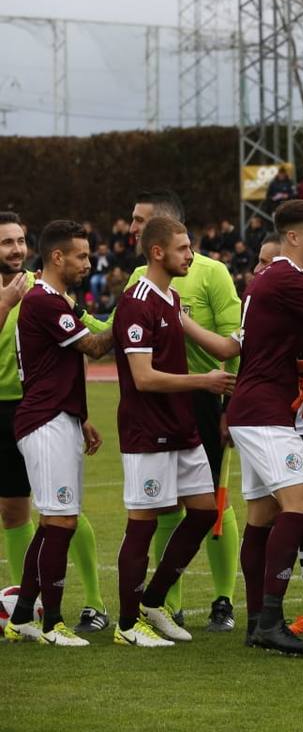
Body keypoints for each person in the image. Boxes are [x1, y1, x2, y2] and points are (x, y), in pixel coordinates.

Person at [179, 199, 303, 655]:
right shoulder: (290, 277)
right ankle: (270, 618)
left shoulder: (266, 279)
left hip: (255, 409)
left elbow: (263, 343)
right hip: (267, 414)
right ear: (293, 236)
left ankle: (256, 622)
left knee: (262, 517)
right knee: (302, 504)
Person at [111, 216, 236, 647]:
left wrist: (261, 322)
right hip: (148, 431)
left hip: (181, 428)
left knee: (204, 512)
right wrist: (204, 382)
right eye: (183, 248)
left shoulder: (171, 297)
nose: (191, 255)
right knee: (142, 524)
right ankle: (127, 626)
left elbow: (222, 346)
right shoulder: (135, 302)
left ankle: (153, 600)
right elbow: (143, 378)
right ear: (158, 252)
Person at [3, 221, 115, 646]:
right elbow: (95, 347)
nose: (87, 263)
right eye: (81, 256)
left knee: (55, 522)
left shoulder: (56, 300)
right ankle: (52, 623)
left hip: (57, 418)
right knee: (60, 521)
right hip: (44, 421)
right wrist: (139, 314)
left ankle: (23, 618)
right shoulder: (45, 302)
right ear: (57, 257)